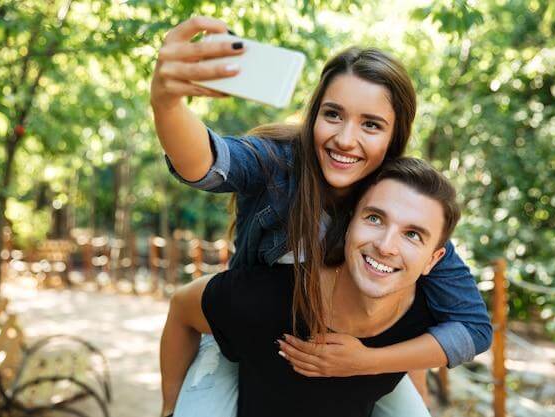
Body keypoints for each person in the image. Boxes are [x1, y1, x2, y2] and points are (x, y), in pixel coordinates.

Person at [151, 16, 492, 417]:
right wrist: (167, 103)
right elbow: (210, 164)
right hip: (250, 332)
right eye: (333, 115)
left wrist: (365, 361)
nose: (345, 139)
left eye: (371, 124)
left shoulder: (399, 208)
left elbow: (472, 328)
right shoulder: (278, 163)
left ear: (394, 138)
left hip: (357, 350)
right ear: (314, 115)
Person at [167, 157, 462, 417]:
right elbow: (182, 306)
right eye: (374, 218)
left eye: (412, 235)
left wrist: (371, 364)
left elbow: (413, 372)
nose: (386, 247)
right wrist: (168, 408)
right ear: (348, 225)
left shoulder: (425, 315)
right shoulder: (267, 297)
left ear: (432, 260)